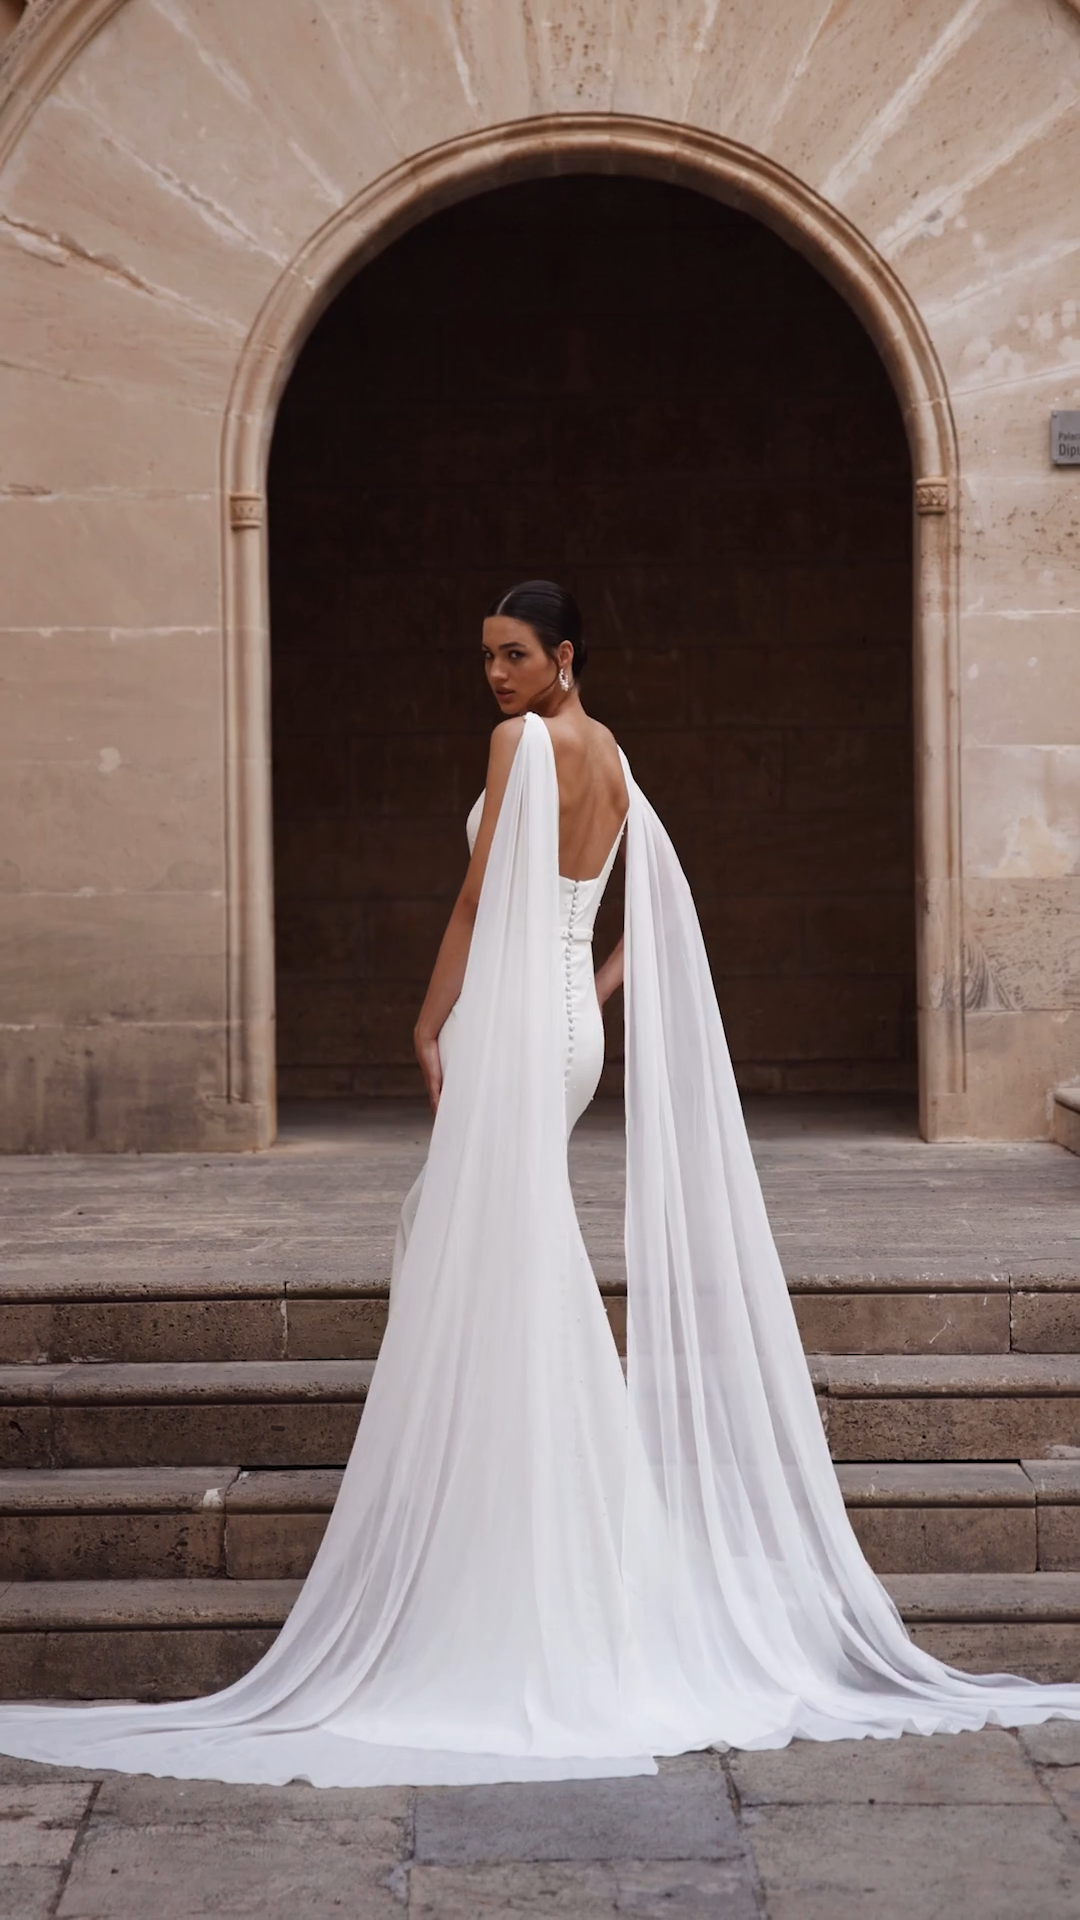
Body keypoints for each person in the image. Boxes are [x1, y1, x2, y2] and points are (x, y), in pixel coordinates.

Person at [0, 579, 1078, 1788]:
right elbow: (640, 920)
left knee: (497, 1262)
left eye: (515, 654)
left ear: (563, 653)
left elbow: (474, 902)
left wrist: (426, 1022)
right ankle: (556, 1531)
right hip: (564, 1031)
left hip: (514, 1029)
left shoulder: (519, 745)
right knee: (520, 1259)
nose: (496, 677)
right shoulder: (611, 754)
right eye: (486, 659)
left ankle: (524, 1551)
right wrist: (586, 1000)